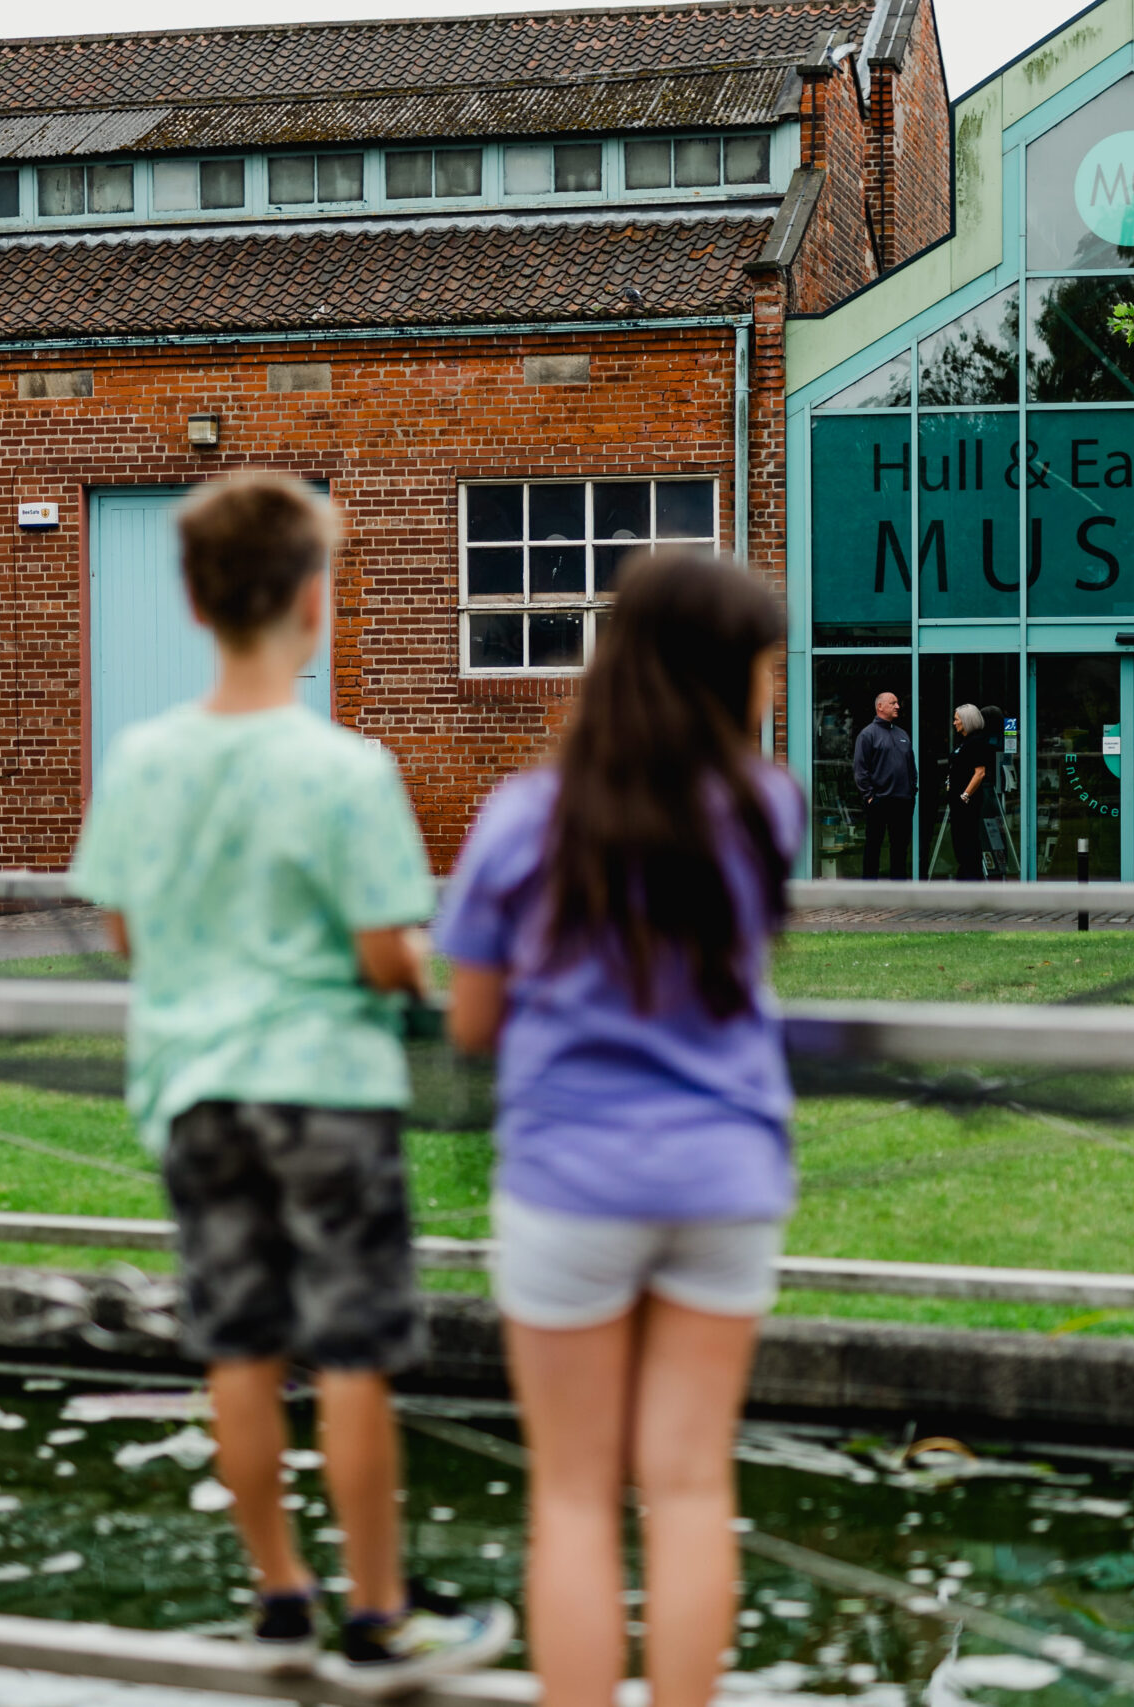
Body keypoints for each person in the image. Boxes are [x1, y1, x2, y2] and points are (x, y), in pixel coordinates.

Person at [67, 471, 510, 1692]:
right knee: (353, 1352)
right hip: (324, 1085)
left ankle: (278, 1595)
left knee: (239, 1347)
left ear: (195, 601)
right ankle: (378, 1613)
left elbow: (123, 933)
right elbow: (385, 953)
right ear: (314, 604)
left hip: (195, 1090)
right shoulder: (348, 769)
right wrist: (413, 960)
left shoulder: (144, 757)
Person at [437, 553, 797, 1707]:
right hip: (728, 1173)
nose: (773, 687)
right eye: (763, 668)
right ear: (723, 676)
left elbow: (472, 1018)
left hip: (569, 1178)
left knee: (575, 1495)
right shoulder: (766, 805)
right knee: (690, 1487)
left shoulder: (524, 817)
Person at [851, 690, 914, 879]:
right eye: (892, 703)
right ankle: (871, 890)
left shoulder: (902, 734)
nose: (897, 706)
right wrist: (870, 796)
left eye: (897, 703)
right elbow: (860, 769)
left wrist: (912, 791)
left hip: (902, 801)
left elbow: (911, 766)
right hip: (878, 801)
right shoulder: (867, 735)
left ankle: (899, 889)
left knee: (900, 848)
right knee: (873, 847)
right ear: (880, 707)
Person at [946, 703, 997, 881]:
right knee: (960, 841)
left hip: (966, 802)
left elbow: (980, 772)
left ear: (966, 721)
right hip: (958, 801)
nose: (954, 723)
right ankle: (966, 879)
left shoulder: (976, 742)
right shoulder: (965, 742)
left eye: (957, 719)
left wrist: (965, 795)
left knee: (967, 841)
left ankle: (972, 880)